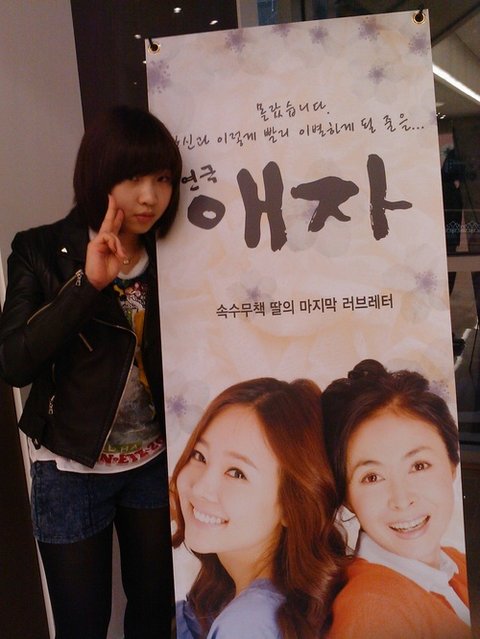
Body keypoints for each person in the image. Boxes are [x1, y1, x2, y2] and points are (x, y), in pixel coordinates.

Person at [0, 105, 182, 639]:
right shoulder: (37, 248)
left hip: (153, 464)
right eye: (133, 178)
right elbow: (14, 362)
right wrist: (88, 284)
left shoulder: (176, 254)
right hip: (70, 469)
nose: (149, 197)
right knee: (83, 626)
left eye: (162, 179)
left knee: (154, 613)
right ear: (99, 176)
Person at [171, 377, 346, 639]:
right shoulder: (260, 600)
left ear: (291, 506)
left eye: (236, 473)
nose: (200, 488)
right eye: (199, 456)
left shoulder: (247, 625)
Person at [321, 359, 471, 639]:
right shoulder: (374, 615)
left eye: (419, 466)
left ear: (452, 464)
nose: (401, 500)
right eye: (372, 477)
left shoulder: (455, 564)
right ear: (347, 497)